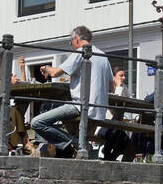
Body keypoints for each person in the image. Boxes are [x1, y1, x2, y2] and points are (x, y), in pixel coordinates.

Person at [30, 27, 112, 158]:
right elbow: (110, 85)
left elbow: (55, 72)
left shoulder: (80, 52)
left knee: (37, 121)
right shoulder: (103, 56)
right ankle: (70, 145)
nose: (72, 45)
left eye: (71, 42)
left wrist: (45, 68)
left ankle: (76, 143)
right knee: (52, 109)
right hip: (100, 110)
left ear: (77, 39)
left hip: (81, 106)